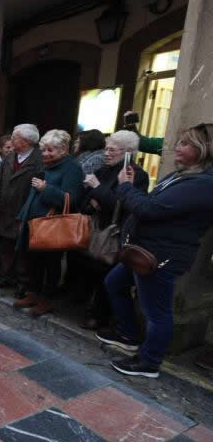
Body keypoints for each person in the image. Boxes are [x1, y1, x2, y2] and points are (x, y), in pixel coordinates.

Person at [97, 123, 213, 377]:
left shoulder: (202, 184)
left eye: (185, 143)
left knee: (157, 313)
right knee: (114, 283)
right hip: (143, 250)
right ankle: (128, 334)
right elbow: (152, 204)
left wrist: (125, 186)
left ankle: (149, 361)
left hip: (160, 258)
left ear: (203, 150)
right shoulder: (182, 175)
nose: (176, 148)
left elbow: (149, 209)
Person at [73, 131, 148, 330]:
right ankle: (89, 307)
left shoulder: (137, 174)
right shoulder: (104, 169)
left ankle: (101, 315)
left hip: (115, 233)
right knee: (90, 269)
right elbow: (86, 198)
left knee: (106, 273)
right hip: (96, 228)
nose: (106, 153)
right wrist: (94, 199)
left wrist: (97, 189)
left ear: (128, 152)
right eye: (106, 148)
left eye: (112, 150)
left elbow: (124, 204)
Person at [14, 129, 84, 317]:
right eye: (43, 150)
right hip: (35, 222)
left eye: (50, 150)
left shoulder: (72, 169)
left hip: (52, 225)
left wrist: (46, 189)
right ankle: (33, 293)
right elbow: (32, 195)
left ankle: (47, 299)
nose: (45, 154)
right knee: (33, 262)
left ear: (63, 150)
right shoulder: (46, 165)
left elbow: (72, 199)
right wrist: (23, 216)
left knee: (50, 265)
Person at [0, 124, 43, 296]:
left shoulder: (39, 160)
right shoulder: (10, 157)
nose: (11, 140)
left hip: (24, 211)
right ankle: (5, 276)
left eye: (14, 137)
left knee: (23, 250)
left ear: (26, 141)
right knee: (5, 246)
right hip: (5, 210)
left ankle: (23, 283)